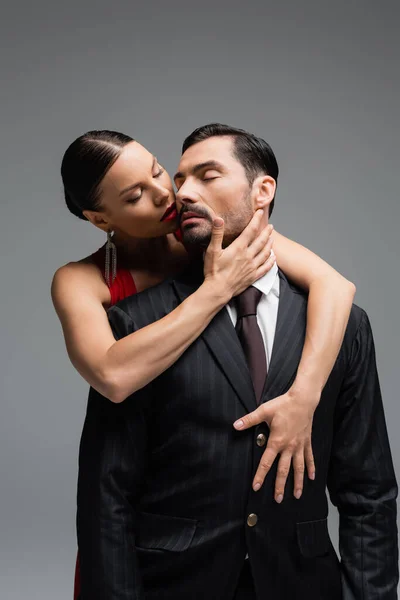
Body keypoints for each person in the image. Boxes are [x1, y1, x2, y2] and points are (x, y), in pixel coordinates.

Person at [75, 123, 398, 599]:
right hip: (174, 583)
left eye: (207, 175)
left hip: (301, 583)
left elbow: (368, 493)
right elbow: (107, 498)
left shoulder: (343, 325)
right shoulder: (135, 321)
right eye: (180, 179)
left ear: (263, 189)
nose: (182, 193)